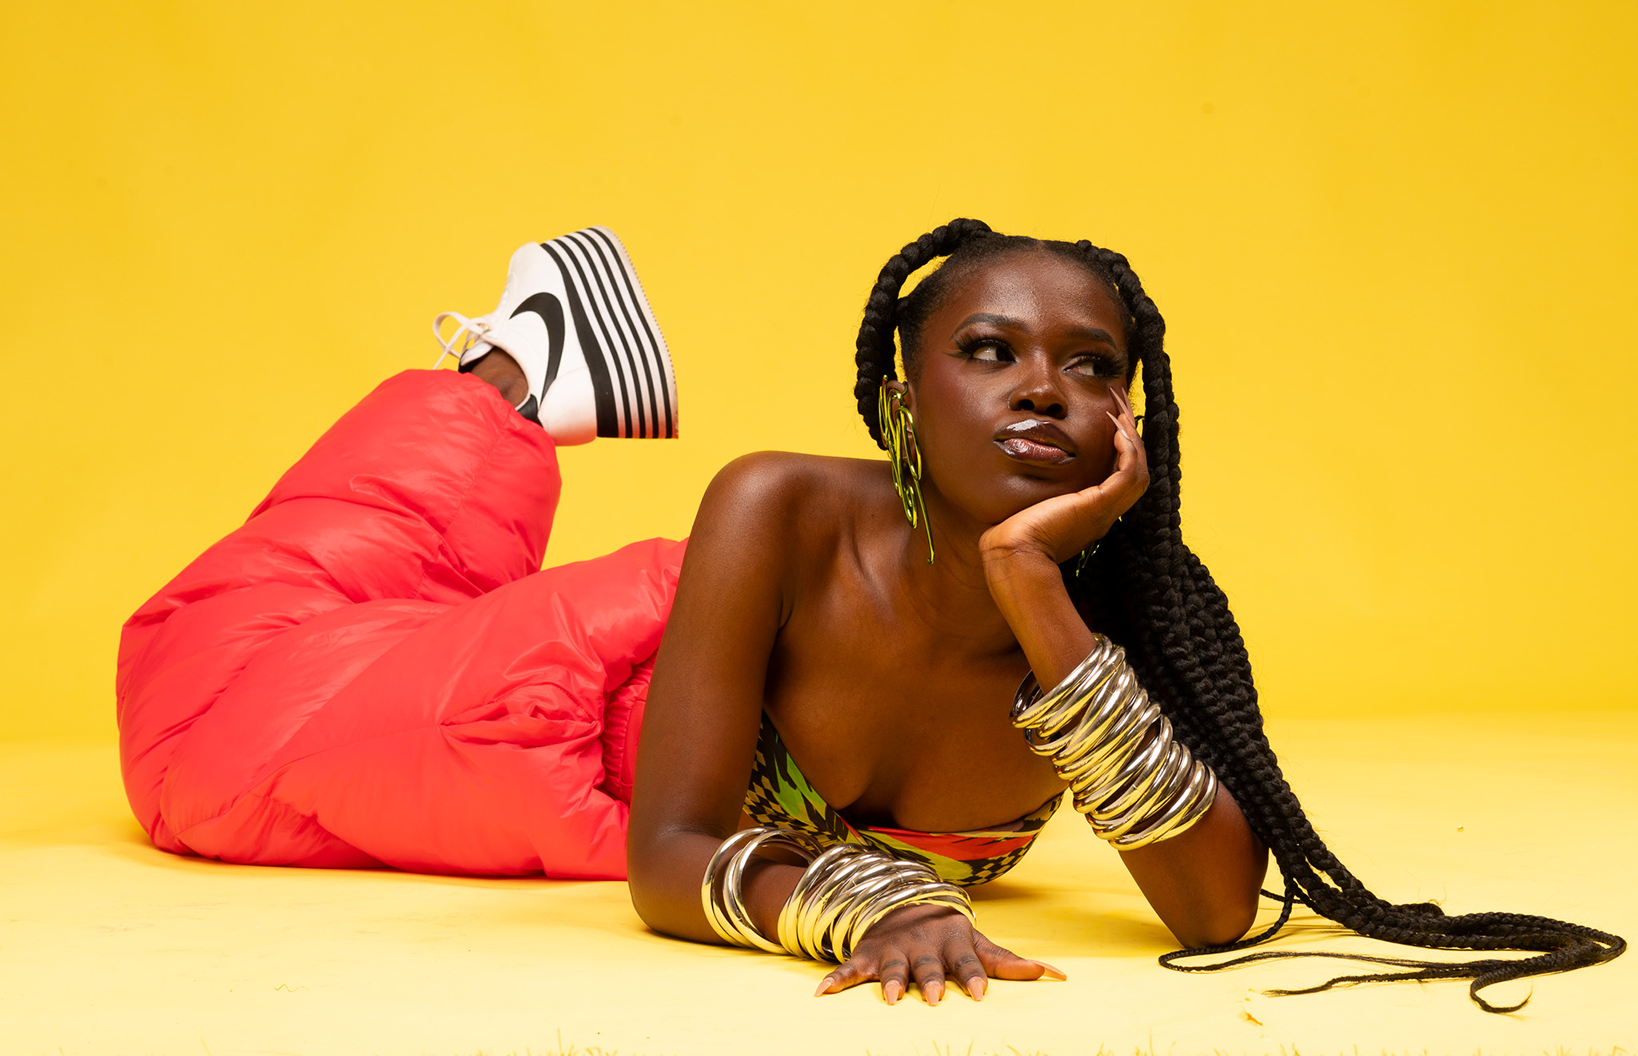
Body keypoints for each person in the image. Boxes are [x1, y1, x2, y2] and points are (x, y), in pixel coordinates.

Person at [116, 220, 1622, 1013]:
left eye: (1094, 367)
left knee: (319, 638)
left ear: (1131, 420)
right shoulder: (776, 505)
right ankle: (518, 374)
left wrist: (1038, 595)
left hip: (557, 771)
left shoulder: (1125, 609)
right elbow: (667, 852)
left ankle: (534, 372)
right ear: (904, 396)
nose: (1046, 387)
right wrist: (865, 903)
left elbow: (1215, 912)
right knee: (203, 711)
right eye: (988, 350)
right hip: (579, 699)